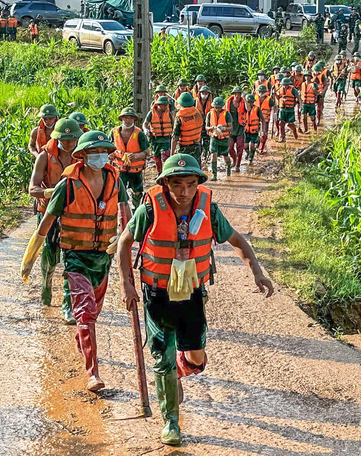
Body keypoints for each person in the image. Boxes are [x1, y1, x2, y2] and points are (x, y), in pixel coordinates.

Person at [117, 154, 274, 446]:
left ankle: (177, 371)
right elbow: (124, 242)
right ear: (165, 183)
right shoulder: (150, 209)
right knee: (161, 359)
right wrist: (127, 284)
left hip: (192, 293)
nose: (184, 191)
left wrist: (257, 273)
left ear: (198, 184)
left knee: (196, 358)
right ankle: (171, 422)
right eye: (176, 184)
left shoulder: (209, 210)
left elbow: (238, 240)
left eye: (190, 184)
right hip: (157, 293)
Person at [35, 130, 131, 393]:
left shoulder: (115, 179)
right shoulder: (68, 185)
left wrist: (125, 240)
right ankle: (93, 373)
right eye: (93, 153)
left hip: (103, 257)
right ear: (83, 156)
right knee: (86, 312)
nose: (99, 157)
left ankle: (82, 333)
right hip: (76, 256)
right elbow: (48, 220)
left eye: (103, 152)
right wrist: (33, 252)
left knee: (91, 315)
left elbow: (126, 214)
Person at [28, 119, 84, 323]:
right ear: (56, 138)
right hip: (48, 211)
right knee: (50, 253)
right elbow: (32, 188)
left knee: (73, 257)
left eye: (72, 139)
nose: (68, 143)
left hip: (75, 213)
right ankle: (46, 282)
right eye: (63, 139)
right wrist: (52, 192)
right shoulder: (45, 156)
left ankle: (68, 306)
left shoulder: (83, 156)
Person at [111, 107, 150, 210]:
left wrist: (137, 156)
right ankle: (122, 214)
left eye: (130, 118)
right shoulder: (114, 132)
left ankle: (136, 212)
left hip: (135, 170)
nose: (128, 121)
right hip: (120, 169)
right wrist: (109, 154)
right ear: (122, 119)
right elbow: (108, 147)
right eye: (125, 118)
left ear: (134, 120)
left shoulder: (139, 134)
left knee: (137, 192)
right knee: (119, 192)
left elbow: (147, 152)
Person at [143, 96, 174, 176]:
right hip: (155, 139)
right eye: (162, 105)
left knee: (165, 155)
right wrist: (146, 130)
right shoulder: (151, 113)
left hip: (166, 139)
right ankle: (159, 173)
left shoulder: (168, 114)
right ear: (158, 105)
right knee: (156, 157)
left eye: (166, 105)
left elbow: (173, 124)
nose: (164, 106)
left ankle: (165, 172)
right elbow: (145, 123)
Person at [171, 92, 205, 163]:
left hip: (184, 149)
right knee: (196, 167)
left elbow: (175, 138)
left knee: (183, 168)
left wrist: (172, 155)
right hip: (197, 147)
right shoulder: (198, 113)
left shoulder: (180, 118)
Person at [206, 97, 233, 181]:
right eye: (215, 107)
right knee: (213, 155)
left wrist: (223, 128)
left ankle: (228, 166)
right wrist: (212, 128)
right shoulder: (209, 114)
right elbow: (206, 127)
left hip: (224, 139)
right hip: (214, 137)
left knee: (225, 156)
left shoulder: (227, 114)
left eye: (219, 107)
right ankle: (214, 175)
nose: (217, 109)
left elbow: (231, 127)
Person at [226, 86, 247, 173]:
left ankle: (238, 165)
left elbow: (249, 110)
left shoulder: (244, 103)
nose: (237, 96)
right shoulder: (229, 103)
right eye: (235, 94)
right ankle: (234, 160)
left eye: (238, 94)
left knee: (240, 149)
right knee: (230, 148)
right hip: (231, 130)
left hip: (240, 130)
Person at [242, 94, 263, 166]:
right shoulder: (243, 109)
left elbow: (262, 119)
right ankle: (247, 153)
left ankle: (251, 158)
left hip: (254, 131)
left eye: (251, 102)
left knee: (252, 146)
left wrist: (263, 131)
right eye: (248, 102)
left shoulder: (257, 109)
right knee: (245, 146)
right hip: (246, 130)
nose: (250, 103)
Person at [276, 77, 299, 142]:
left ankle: (294, 131)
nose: (285, 86)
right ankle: (282, 137)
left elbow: (298, 97)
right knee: (281, 123)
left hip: (290, 109)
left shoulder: (293, 89)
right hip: (282, 109)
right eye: (284, 84)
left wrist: (300, 105)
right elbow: (278, 97)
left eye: (286, 84)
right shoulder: (279, 89)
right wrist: (274, 94)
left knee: (290, 124)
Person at [195, 85, 213, 162]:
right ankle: (199, 157)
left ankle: (205, 157)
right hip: (197, 125)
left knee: (207, 142)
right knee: (198, 142)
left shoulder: (211, 104)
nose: (204, 94)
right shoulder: (194, 102)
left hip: (207, 124)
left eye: (206, 93)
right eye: (203, 92)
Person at [255, 85, 273, 155]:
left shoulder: (269, 99)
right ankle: (257, 145)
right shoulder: (255, 98)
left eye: (262, 92)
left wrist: (274, 113)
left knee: (264, 133)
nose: (261, 93)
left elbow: (274, 106)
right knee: (256, 133)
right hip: (256, 119)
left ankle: (261, 148)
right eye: (260, 91)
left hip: (265, 120)